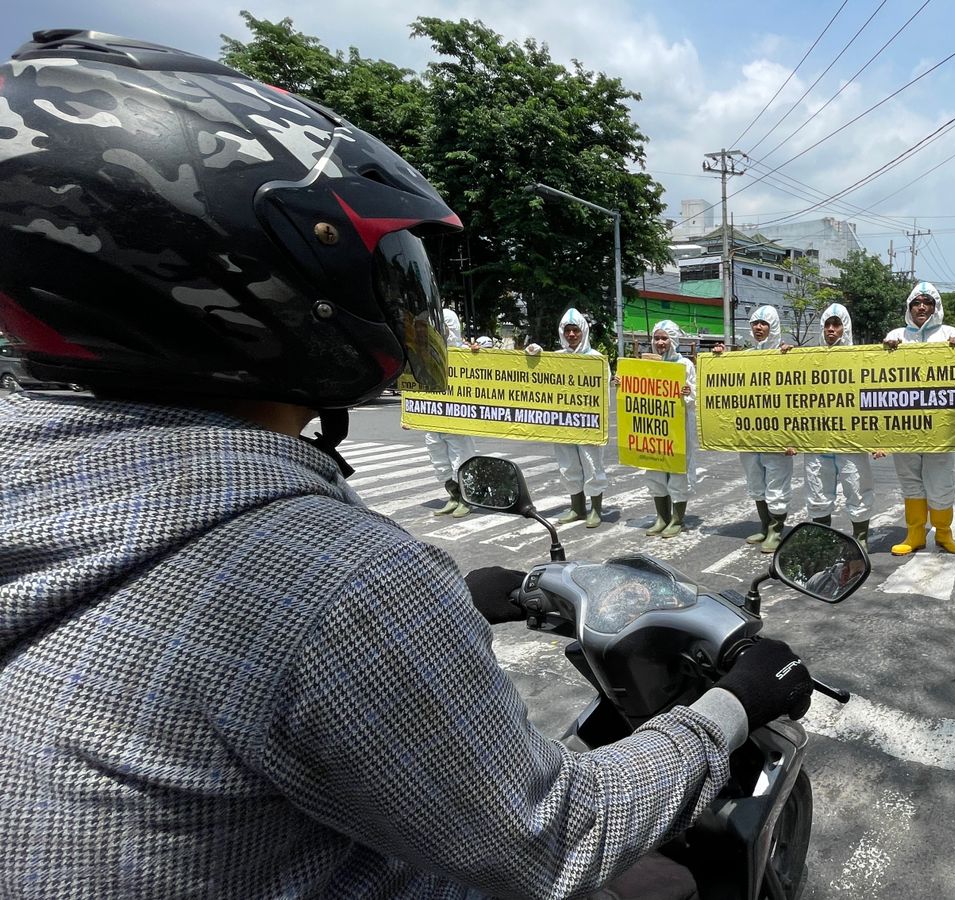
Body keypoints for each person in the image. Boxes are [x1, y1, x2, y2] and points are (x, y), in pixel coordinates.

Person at [0, 32, 811, 899]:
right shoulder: (338, 582)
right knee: (663, 886)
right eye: (384, 271)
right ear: (253, 285)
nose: (400, 298)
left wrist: (451, 599)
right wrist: (733, 707)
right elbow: (560, 837)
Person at [883, 282, 955, 556]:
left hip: (941, 427)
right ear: (909, 307)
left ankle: (944, 534)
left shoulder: (950, 333)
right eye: (916, 302)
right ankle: (915, 534)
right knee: (910, 480)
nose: (922, 306)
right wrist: (885, 351)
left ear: (936, 307)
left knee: (941, 480)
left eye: (927, 302)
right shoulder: (896, 335)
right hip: (905, 425)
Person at [714, 305, 794, 553]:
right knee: (756, 480)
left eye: (764, 324)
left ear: (773, 327)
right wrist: (720, 358)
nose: (758, 328)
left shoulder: (786, 355)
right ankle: (764, 524)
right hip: (750, 433)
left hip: (777, 434)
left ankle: (776, 530)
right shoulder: (745, 357)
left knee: (776, 483)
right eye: (755, 323)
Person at [804, 303, 881, 549]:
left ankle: (860, 538)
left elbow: (874, 399)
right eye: (827, 324)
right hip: (817, 440)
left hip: (850, 440)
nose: (831, 330)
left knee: (856, 488)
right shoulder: (808, 360)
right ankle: (821, 538)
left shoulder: (861, 359)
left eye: (836, 325)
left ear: (844, 328)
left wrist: (879, 439)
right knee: (817, 491)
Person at [527, 309, 609, 527]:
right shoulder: (557, 357)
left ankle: (596, 510)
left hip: (587, 424)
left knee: (591, 465)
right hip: (562, 423)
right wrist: (534, 354)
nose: (572, 334)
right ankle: (577, 507)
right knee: (568, 465)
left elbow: (601, 390)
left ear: (583, 332)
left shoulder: (596, 359)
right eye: (568, 330)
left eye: (575, 330)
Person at [641, 320, 698, 538]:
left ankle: (677, 519)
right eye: (656, 338)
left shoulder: (685, 365)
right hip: (653, 427)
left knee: (677, 471)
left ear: (673, 340)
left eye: (664, 338)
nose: (660, 342)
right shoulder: (646, 363)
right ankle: (661, 517)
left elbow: (694, 396)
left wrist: (687, 392)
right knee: (654, 470)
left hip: (678, 427)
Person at [427, 304, 481, 518]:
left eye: (444, 327)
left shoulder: (466, 355)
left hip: (457, 419)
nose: (440, 331)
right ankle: (454, 495)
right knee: (439, 458)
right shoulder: (427, 355)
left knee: (461, 459)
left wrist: (479, 355)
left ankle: (468, 499)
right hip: (432, 417)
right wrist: (410, 415)